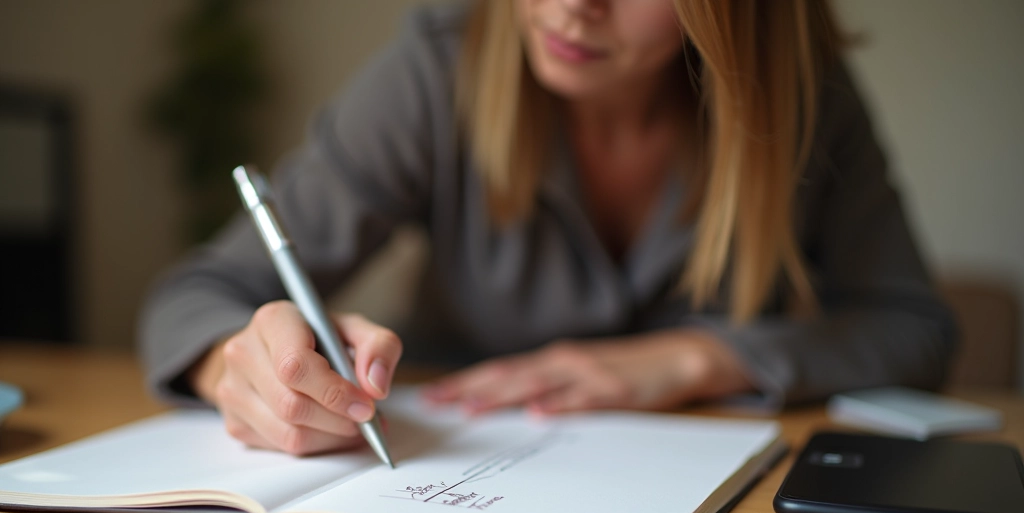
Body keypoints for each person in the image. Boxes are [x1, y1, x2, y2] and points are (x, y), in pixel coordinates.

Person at [139, 0, 957, 456]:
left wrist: (700, 359)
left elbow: (915, 326)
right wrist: (237, 367)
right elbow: (197, 294)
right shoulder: (439, 69)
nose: (572, 5)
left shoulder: (802, 98)